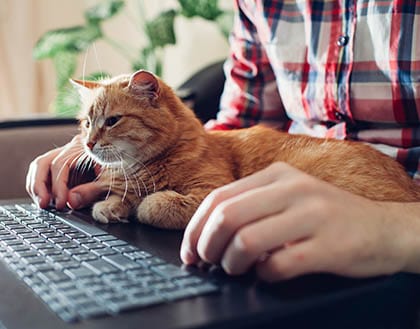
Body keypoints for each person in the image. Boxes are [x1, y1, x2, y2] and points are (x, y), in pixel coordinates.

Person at [26, 1, 420, 282]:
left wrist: (392, 227)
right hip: (276, 207)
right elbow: (236, 126)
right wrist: (104, 160)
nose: (91, 137)